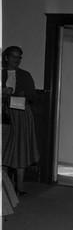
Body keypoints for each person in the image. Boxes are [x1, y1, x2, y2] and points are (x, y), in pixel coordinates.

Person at [2, 46, 39, 196]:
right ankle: (3, 186)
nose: (16, 60)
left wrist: (16, 93)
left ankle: (20, 186)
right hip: (3, 114)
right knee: (3, 149)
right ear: (6, 57)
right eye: (13, 57)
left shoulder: (25, 75)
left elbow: (31, 96)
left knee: (20, 149)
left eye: (19, 57)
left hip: (21, 115)